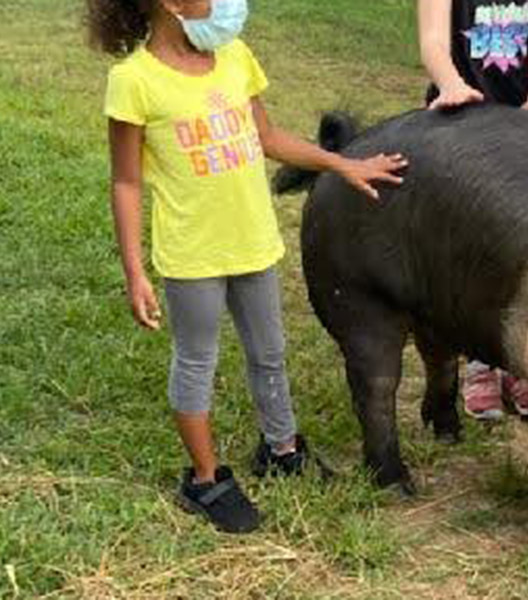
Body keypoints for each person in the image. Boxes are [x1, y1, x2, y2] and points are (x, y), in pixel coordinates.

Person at [87, 0, 407, 533]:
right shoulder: (133, 80)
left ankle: (281, 449)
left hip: (253, 241)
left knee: (270, 354)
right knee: (197, 362)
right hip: (193, 255)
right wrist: (134, 270)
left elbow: (269, 139)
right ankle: (206, 479)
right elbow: (125, 180)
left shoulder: (234, 55)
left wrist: (342, 164)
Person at [418, 0, 528, 420]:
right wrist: (450, 86)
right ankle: (479, 362)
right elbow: (432, 42)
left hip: (518, 126)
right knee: (468, 252)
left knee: (520, 247)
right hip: (457, 122)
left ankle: (516, 360)